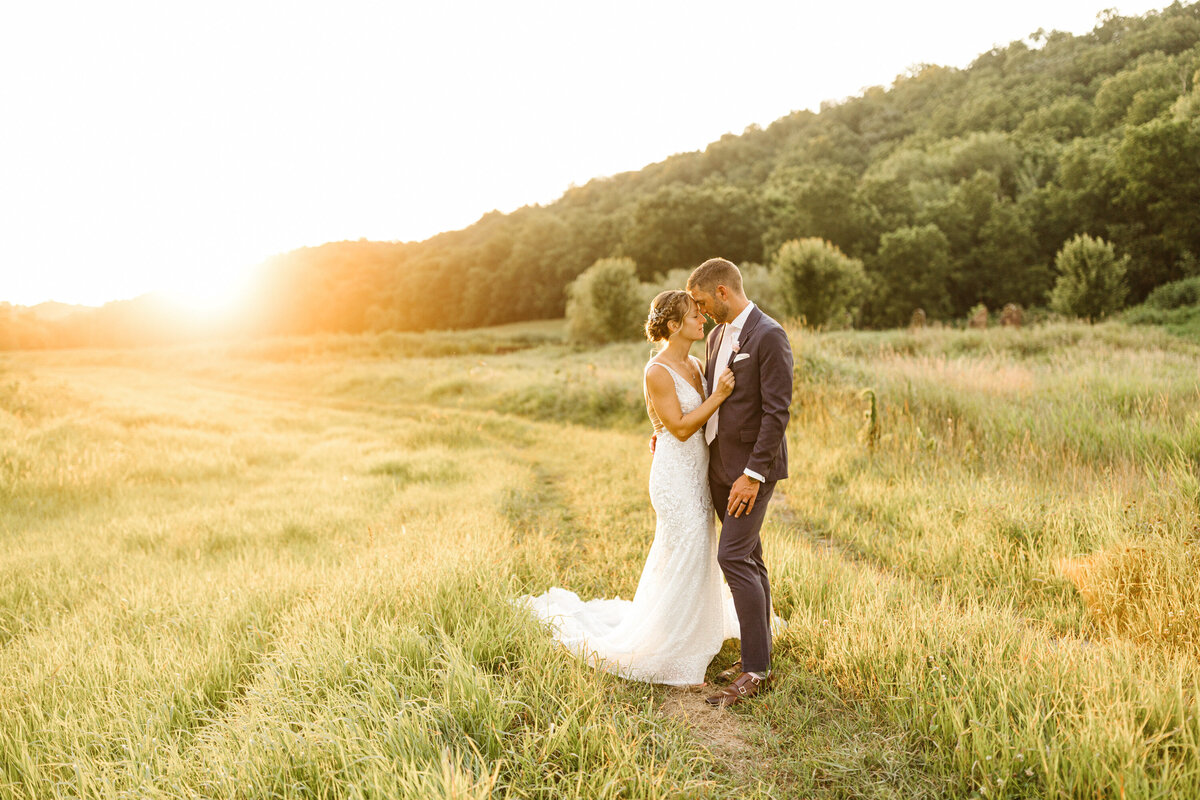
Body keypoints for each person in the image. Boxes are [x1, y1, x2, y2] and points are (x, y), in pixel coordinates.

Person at [518, 290, 740, 686]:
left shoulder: (694, 363)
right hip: (674, 477)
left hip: (697, 473)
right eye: (694, 315)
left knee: (695, 552)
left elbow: (686, 422)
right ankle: (673, 649)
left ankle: (691, 633)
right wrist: (720, 395)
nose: (702, 319)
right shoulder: (657, 370)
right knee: (686, 548)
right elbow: (682, 426)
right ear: (674, 325)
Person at [687, 257, 793, 708]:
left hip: (750, 471)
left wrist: (753, 474)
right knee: (750, 556)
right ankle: (760, 652)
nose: (700, 309)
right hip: (717, 467)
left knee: (732, 556)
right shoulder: (714, 336)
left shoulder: (769, 335)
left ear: (723, 292)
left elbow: (777, 412)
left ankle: (755, 670)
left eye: (702, 300)